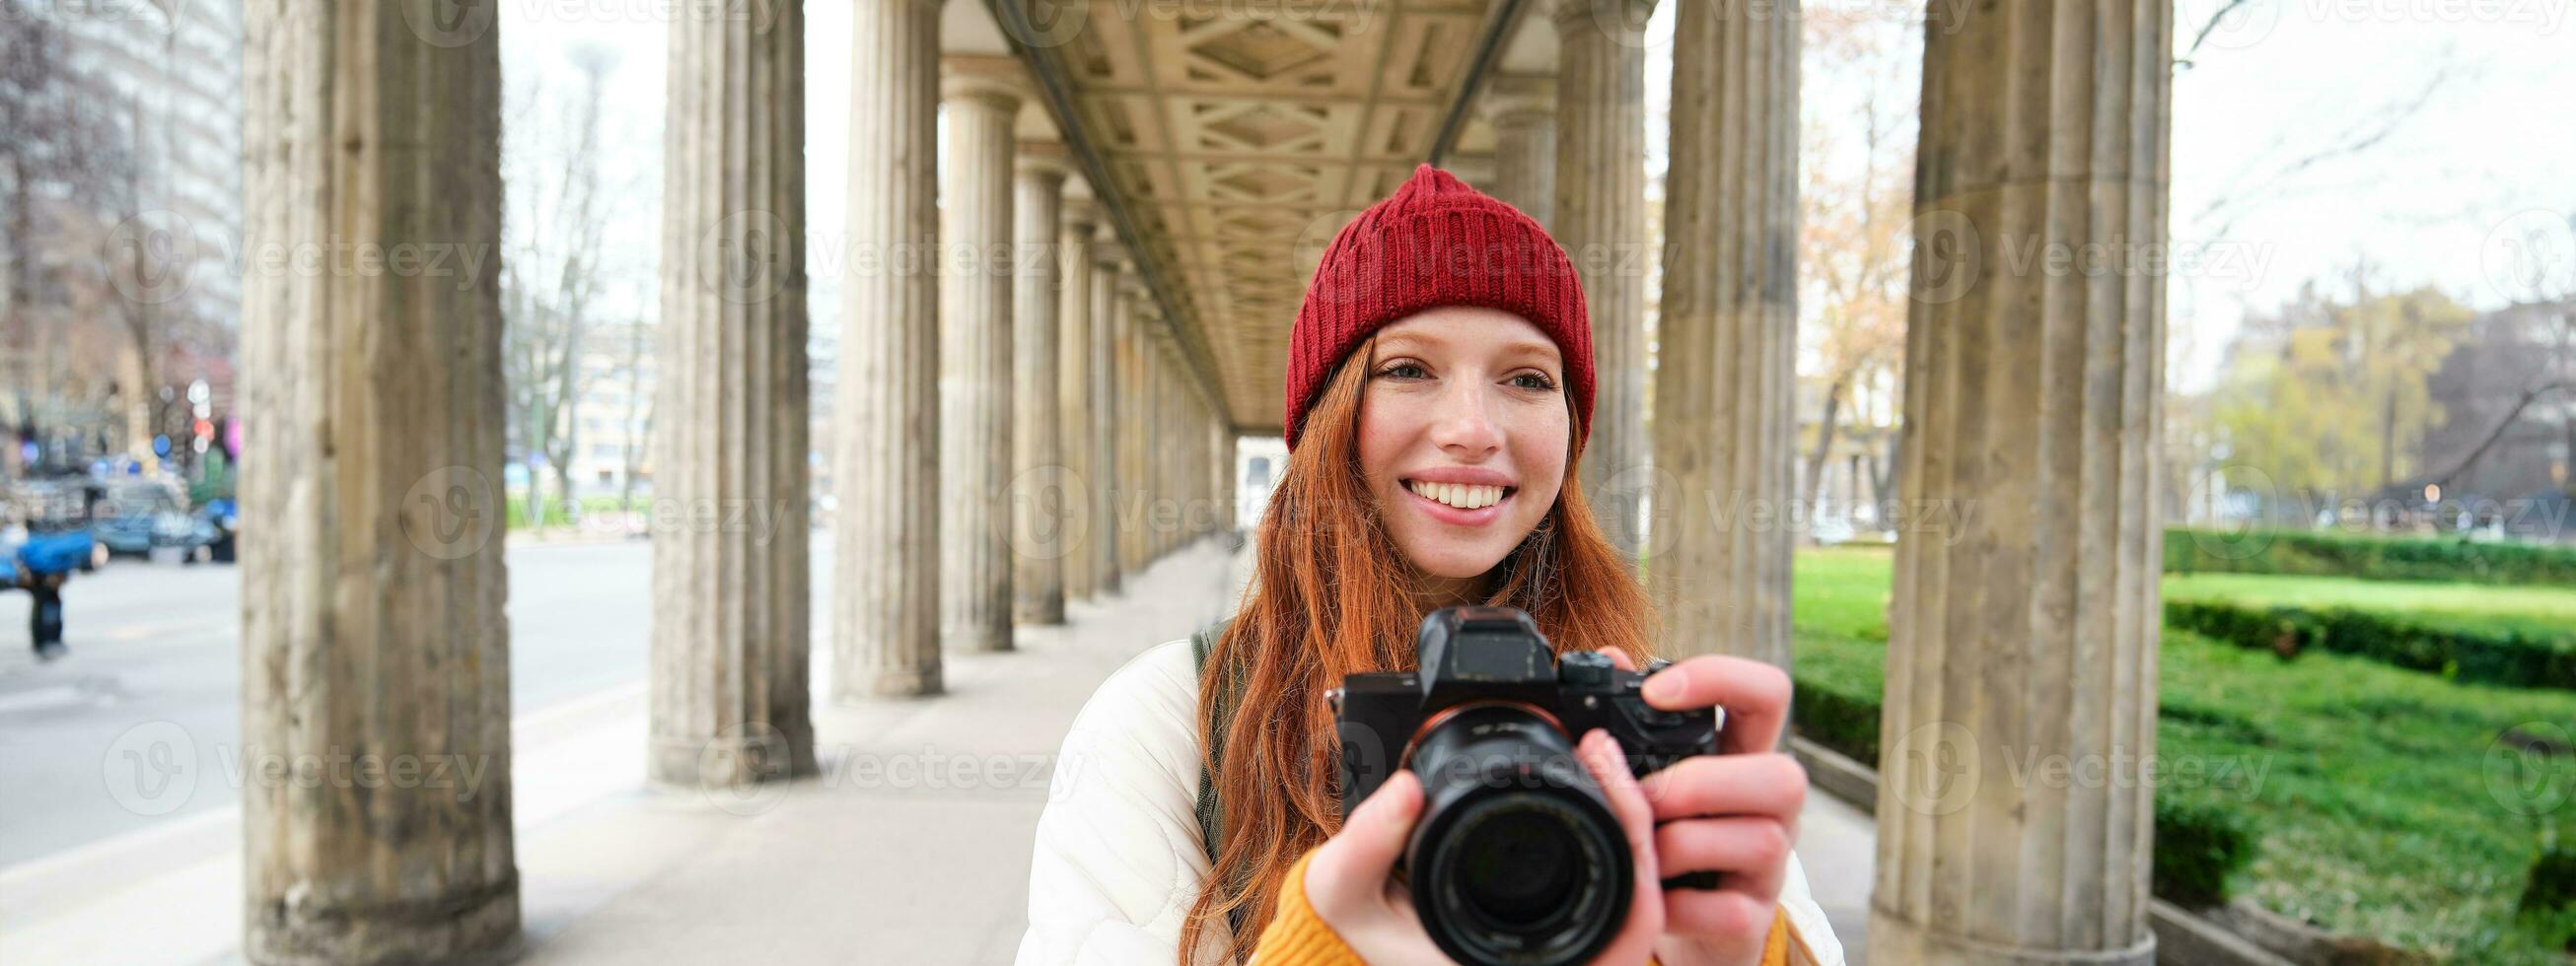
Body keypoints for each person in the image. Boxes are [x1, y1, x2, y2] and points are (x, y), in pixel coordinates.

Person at [1017, 165, 1841, 965]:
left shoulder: (1642, 725)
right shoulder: (1170, 722)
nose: (1473, 428)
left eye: (1527, 377)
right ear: (1327, 414)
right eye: (1408, 369)